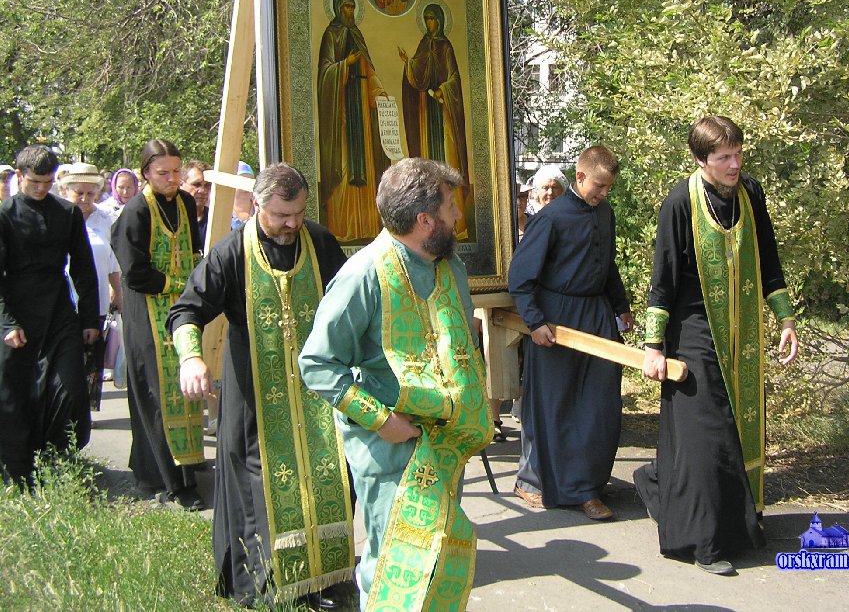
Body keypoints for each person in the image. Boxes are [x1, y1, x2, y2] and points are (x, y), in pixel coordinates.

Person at [299, 158, 491, 611]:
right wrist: (383, 422)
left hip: (445, 444)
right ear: (425, 220)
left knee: (437, 558)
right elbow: (318, 364)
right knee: (393, 565)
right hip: (390, 446)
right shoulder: (364, 274)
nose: (457, 216)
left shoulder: (449, 268)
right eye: (450, 206)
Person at [167, 164, 351, 607]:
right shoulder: (232, 252)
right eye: (282, 215)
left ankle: (322, 578)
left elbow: (351, 299)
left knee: (326, 478)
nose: (292, 224)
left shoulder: (319, 242)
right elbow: (186, 311)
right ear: (256, 205)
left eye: (299, 213)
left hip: (315, 394)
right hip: (254, 394)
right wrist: (191, 357)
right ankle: (267, 586)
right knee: (261, 487)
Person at [635, 115, 799, 575]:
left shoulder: (751, 193)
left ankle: (738, 523)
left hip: (742, 331)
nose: (734, 164)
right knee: (707, 434)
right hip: (692, 330)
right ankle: (704, 543)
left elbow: (768, 258)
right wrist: (653, 346)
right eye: (724, 157)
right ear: (700, 159)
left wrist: (785, 318)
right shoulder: (679, 203)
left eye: (738, 154)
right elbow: (663, 278)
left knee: (740, 426)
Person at [507, 146, 633, 521]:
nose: (604, 194)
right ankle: (541, 483)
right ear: (580, 177)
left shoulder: (605, 213)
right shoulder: (551, 218)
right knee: (554, 405)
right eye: (599, 186)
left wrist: (620, 305)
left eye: (609, 188)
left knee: (598, 405)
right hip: (556, 319)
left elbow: (606, 264)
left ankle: (587, 486)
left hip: (596, 315)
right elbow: (520, 276)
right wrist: (535, 322)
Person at [110, 139, 206, 509]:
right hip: (146, 313)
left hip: (179, 310)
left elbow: (193, 249)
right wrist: (180, 283)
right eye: (163, 172)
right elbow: (134, 273)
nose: (172, 178)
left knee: (185, 391)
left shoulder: (185, 203)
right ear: (146, 173)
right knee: (157, 394)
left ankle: (186, 466)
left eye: (176, 171)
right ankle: (169, 481)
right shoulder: (136, 211)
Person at [0, 146, 100, 485]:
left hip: (58, 311)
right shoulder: (5, 215)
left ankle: (58, 458)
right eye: (34, 182)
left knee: (71, 389)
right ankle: (17, 470)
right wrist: (7, 322)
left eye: (47, 182)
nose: (41, 189)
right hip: (16, 312)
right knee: (16, 394)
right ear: (19, 177)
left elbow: (83, 267)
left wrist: (89, 318)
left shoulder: (67, 213)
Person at [317, 0, 391, 243]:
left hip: (362, 112)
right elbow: (325, 73)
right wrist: (344, 65)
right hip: (342, 114)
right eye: (345, 7)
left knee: (367, 166)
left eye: (352, 7)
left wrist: (379, 92)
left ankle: (368, 228)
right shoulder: (331, 34)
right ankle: (342, 230)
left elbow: (369, 70)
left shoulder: (357, 35)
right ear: (338, 9)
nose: (349, 11)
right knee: (345, 166)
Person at [398, 3, 472, 239]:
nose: (430, 23)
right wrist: (409, 64)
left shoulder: (445, 46)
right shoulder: (424, 44)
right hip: (425, 112)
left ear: (439, 21)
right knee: (429, 160)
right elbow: (418, 75)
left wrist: (443, 90)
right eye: (427, 19)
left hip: (442, 112)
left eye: (433, 19)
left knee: (446, 159)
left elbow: (454, 78)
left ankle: (454, 224)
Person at [60, 163, 122, 409]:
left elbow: (113, 260)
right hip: (62, 300)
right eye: (79, 193)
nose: (85, 199)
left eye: (90, 193)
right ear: (66, 191)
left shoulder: (105, 220)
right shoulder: (58, 218)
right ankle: (63, 411)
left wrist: (117, 292)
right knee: (66, 360)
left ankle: (83, 413)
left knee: (91, 360)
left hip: (96, 300)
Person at [180, 159, 211, 246]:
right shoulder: (169, 218)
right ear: (180, 184)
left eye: (207, 185)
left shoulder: (216, 221)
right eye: (196, 185)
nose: (203, 190)